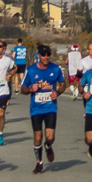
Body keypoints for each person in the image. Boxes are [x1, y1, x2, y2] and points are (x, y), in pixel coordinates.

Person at [21, 45, 66, 174]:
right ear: (39, 56)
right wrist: (30, 89)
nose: (46, 57)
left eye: (48, 55)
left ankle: (48, 145)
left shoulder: (56, 68)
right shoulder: (31, 71)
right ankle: (39, 163)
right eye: (43, 55)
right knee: (37, 135)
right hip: (36, 108)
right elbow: (23, 89)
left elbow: (63, 84)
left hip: (50, 106)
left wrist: (57, 93)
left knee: (50, 136)